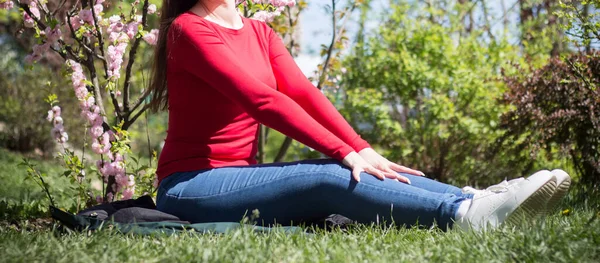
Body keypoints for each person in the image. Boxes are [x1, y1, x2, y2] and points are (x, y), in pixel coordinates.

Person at [148, 0, 571, 231]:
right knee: (330, 174)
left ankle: (476, 197)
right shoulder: (189, 30)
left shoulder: (260, 31)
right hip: (191, 186)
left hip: (238, 178)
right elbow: (262, 100)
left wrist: (361, 147)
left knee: (346, 165)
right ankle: (462, 217)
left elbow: (302, 93)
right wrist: (343, 153)